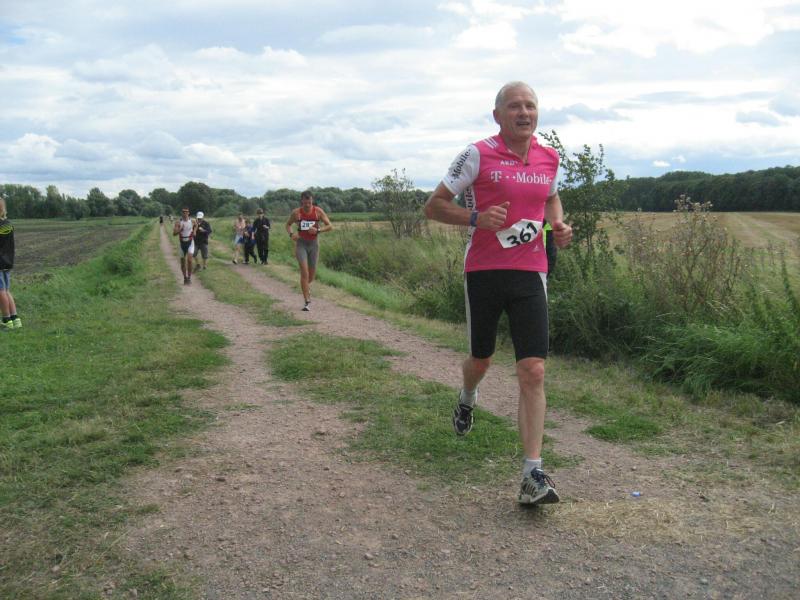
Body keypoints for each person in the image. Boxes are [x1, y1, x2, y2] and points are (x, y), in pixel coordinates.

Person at [423, 81, 573, 506]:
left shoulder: (549, 157)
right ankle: (468, 395)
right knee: (481, 360)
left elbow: (551, 198)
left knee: (534, 370)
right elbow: (433, 206)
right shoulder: (477, 154)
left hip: (530, 272)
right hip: (484, 271)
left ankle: (532, 474)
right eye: (514, 106)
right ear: (497, 115)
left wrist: (557, 226)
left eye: (530, 106)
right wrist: (476, 218)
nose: (524, 113)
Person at [285, 191, 332, 311]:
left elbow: (330, 226)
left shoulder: (318, 211)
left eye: (309, 202)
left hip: (314, 245)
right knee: (304, 272)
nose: (307, 205)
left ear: (312, 201)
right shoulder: (296, 213)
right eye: (305, 203)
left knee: (311, 276)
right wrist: (291, 234)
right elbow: (288, 225)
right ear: (302, 201)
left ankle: (306, 287)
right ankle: (307, 300)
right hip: (301, 244)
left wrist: (318, 230)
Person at [0, 196, 21, 330]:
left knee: (1, 291)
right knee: (6, 290)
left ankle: (6, 320)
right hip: (7, 261)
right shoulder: (8, 223)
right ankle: (15, 319)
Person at [172, 207, 196, 285]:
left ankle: (189, 278)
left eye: (186, 212)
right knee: (182, 262)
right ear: (182, 213)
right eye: (183, 212)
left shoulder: (192, 221)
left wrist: (194, 231)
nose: (185, 213)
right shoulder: (178, 222)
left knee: (189, 260)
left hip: (190, 242)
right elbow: (174, 234)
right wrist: (180, 230)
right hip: (182, 244)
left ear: (188, 213)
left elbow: (196, 225)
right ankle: (185, 278)